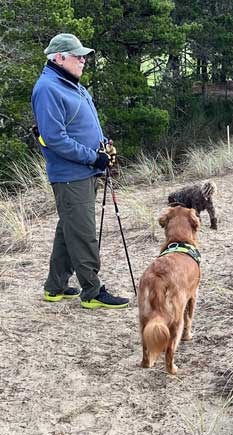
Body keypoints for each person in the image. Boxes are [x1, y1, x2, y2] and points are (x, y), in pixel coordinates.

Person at [31, 33, 129, 309]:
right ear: (60, 58)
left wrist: (102, 146)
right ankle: (93, 292)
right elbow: (55, 138)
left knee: (69, 227)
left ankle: (55, 286)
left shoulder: (70, 84)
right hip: (70, 174)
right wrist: (92, 158)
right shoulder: (48, 88)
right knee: (83, 232)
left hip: (82, 171)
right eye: (78, 56)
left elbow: (80, 126)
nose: (83, 60)